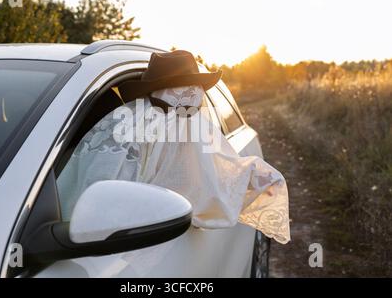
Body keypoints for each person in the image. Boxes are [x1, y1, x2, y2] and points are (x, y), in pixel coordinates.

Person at [57, 50, 290, 245]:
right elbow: (100, 209)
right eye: (186, 96)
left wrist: (252, 176)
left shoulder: (181, 127)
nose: (195, 109)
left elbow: (208, 171)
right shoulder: (125, 132)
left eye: (196, 101)